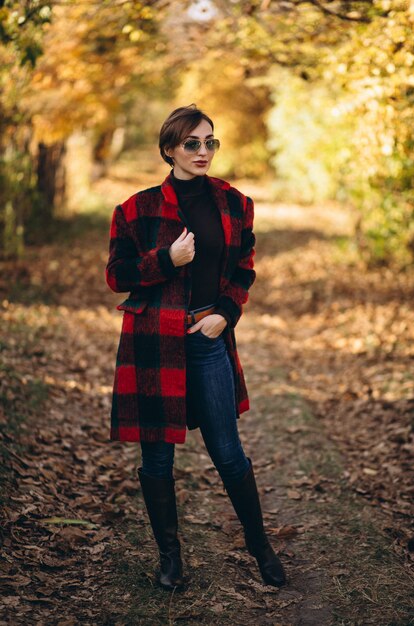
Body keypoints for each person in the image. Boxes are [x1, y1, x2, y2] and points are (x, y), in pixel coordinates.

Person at [105, 104, 286, 591]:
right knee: (158, 460)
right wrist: (166, 258)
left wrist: (225, 314)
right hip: (153, 343)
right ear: (169, 150)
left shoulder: (234, 203)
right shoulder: (135, 209)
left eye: (210, 142)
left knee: (228, 452)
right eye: (192, 144)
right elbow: (117, 276)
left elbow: (244, 269)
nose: (203, 151)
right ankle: (171, 560)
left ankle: (260, 547)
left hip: (207, 339)